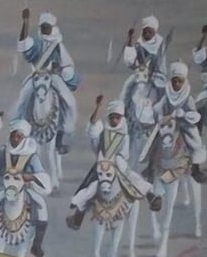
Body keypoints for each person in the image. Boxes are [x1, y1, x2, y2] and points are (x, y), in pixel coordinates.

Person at [67, 96, 162, 230]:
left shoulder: (124, 134)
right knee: (90, 186)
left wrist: (116, 161)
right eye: (112, 117)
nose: (114, 120)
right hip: (102, 162)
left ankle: (150, 195)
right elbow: (93, 129)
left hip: (117, 162)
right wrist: (98, 107)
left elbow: (125, 154)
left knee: (131, 177)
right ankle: (78, 216)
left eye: (117, 117)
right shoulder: (102, 131)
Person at [0, 119, 52, 257]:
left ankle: (37, 244)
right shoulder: (3, 151)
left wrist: (32, 177)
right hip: (4, 189)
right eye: (13, 136)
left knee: (42, 206)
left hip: (24, 189)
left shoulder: (31, 156)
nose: (15, 139)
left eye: (19, 136)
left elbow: (41, 175)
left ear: (25, 138)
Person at [14, 8, 78, 154]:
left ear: (52, 27)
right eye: (43, 27)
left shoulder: (57, 45)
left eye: (47, 27)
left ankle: (60, 137)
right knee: (22, 100)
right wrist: (25, 21)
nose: (45, 29)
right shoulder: (36, 42)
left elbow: (67, 65)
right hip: (36, 76)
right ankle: (19, 130)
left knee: (69, 101)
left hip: (52, 78)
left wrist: (60, 70)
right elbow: (24, 44)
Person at [152, 62, 207, 183]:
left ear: (184, 81)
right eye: (175, 81)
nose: (177, 84)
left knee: (194, 139)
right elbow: (158, 107)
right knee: (154, 139)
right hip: (168, 124)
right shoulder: (167, 96)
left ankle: (195, 168)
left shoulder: (188, 98)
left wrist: (183, 114)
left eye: (180, 81)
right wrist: (160, 116)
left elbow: (194, 114)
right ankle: (151, 165)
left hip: (184, 124)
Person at [123, 15, 168, 88]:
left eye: (150, 32)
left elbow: (161, 65)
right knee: (127, 87)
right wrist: (130, 40)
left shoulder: (160, 44)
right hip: (139, 75)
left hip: (156, 76)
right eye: (145, 31)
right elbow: (129, 62)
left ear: (154, 32)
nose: (147, 34)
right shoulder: (138, 43)